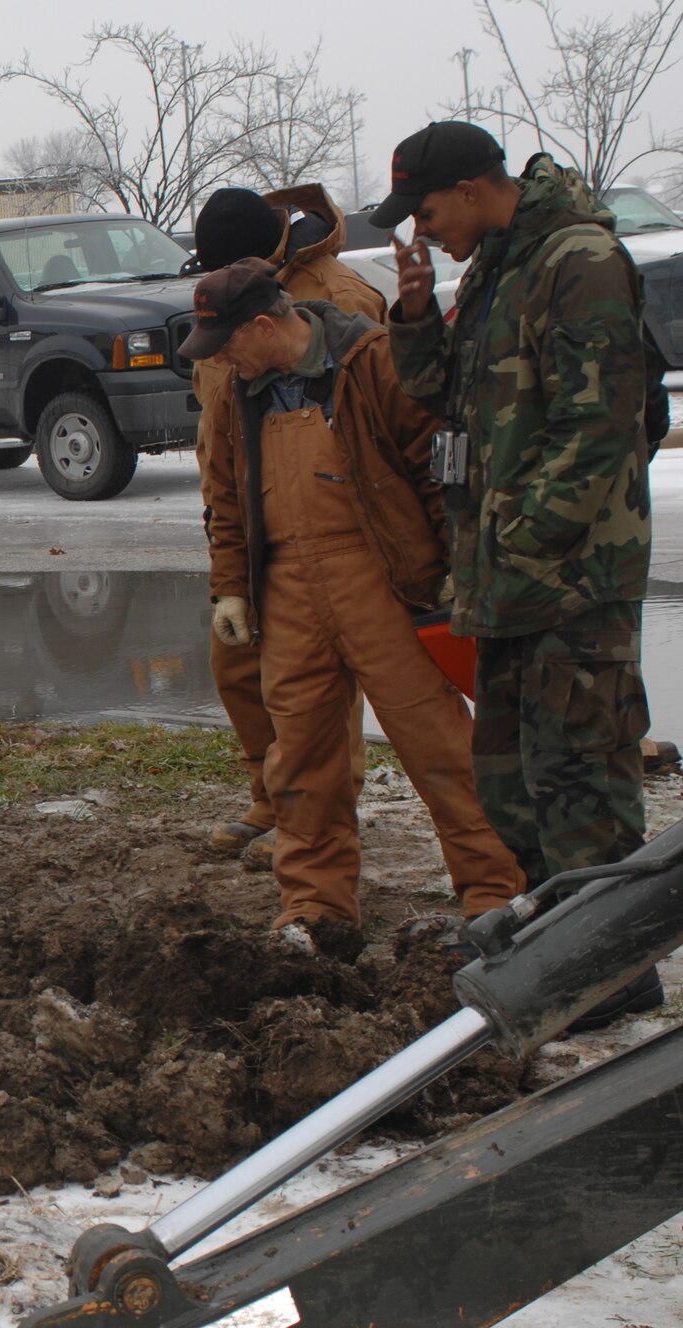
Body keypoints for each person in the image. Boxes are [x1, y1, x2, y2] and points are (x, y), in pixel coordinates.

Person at [379, 121, 657, 1023]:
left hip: (571, 580)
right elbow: (446, 397)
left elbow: (603, 425)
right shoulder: (495, 266)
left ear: (469, 188)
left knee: (580, 780)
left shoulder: (578, 260)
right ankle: (556, 950)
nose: (423, 233)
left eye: (426, 213)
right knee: (509, 782)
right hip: (502, 582)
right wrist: (417, 314)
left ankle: (616, 968)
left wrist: (530, 535)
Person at [181, 258, 524, 950]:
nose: (220, 360)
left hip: (381, 579)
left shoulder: (369, 362)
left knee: (439, 744)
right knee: (301, 758)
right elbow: (223, 494)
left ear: (265, 325)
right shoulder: (237, 391)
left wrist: (458, 566)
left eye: (227, 344)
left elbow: (439, 464)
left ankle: (496, 894)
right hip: (288, 590)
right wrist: (232, 586)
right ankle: (317, 908)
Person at [191, 185, 386, 855]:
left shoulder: (339, 295)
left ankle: (324, 812)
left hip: (324, 522)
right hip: (249, 511)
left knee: (321, 687)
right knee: (238, 664)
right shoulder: (229, 300)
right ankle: (274, 798)